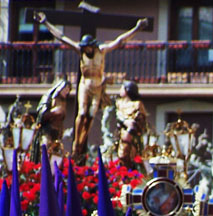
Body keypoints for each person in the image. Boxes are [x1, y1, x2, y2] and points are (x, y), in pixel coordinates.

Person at [33, 12, 149, 162]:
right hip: (85, 85)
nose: (86, 49)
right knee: (81, 113)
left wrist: (137, 28)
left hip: (97, 88)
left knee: (90, 117)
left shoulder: (102, 50)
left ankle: (80, 146)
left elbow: (120, 40)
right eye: (85, 47)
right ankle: (76, 144)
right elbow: (62, 37)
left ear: (92, 46)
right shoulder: (80, 51)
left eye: (88, 47)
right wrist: (46, 22)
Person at [114, 80, 147, 165]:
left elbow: (141, 119)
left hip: (132, 135)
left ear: (127, 90)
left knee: (131, 156)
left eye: (122, 88)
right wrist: (125, 121)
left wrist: (132, 126)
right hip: (121, 134)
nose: (120, 90)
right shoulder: (119, 103)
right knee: (121, 155)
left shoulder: (137, 104)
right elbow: (118, 116)